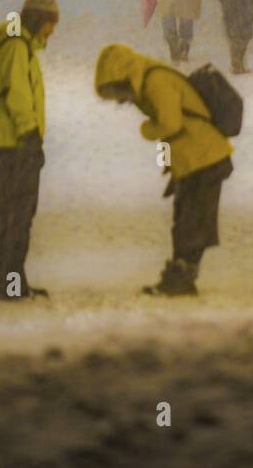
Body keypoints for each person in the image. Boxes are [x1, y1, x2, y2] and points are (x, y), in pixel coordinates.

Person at [95, 43, 233, 296]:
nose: (120, 101)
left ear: (121, 77)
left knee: (192, 220)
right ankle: (181, 275)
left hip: (205, 158)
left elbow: (170, 124)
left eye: (116, 94)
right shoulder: (149, 81)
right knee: (186, 219)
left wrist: (147, 129)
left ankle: (182, 278)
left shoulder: (156, 81)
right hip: (195, 159)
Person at [0, 0, 59, 301]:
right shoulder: (17, 48)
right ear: (35, 20)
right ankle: (9, 286)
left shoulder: (22, 47)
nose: (52, 31)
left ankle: (11, 283)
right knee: (17, 218)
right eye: (49, 22)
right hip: (15, 145)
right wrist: (31, 137)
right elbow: (18, 96)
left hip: (14, 145)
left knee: (15, 218)